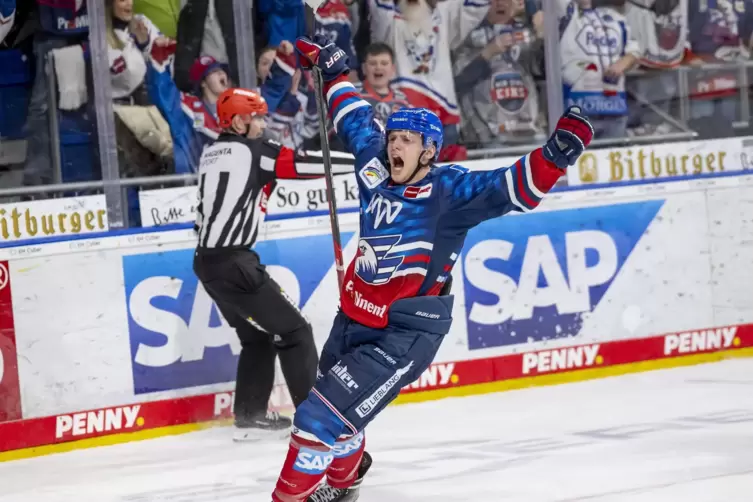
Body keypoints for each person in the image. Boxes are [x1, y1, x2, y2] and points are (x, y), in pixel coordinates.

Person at [269, 35, 594, 502]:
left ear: (429, 151)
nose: (394, 145)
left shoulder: (449, 193)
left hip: (402, 335)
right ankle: (343, 486)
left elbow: (512, 189)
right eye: (393, 137)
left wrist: (556, 154)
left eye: (407, 140)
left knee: (317, 419)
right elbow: (354, 118)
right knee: (341, 417)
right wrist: (332, 70)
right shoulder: (376, 166)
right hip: (353, 319)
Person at [192, 87, 352, 441]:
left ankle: (250, 416)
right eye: (258, 117)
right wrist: (361, 161)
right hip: (236, 262)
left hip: (206, 262)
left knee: (258, 337)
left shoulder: (211, 152)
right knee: (296, 332)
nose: (263, 124)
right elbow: (305, 164)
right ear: (237, 121)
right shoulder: (254, 152)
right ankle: (314, 420)